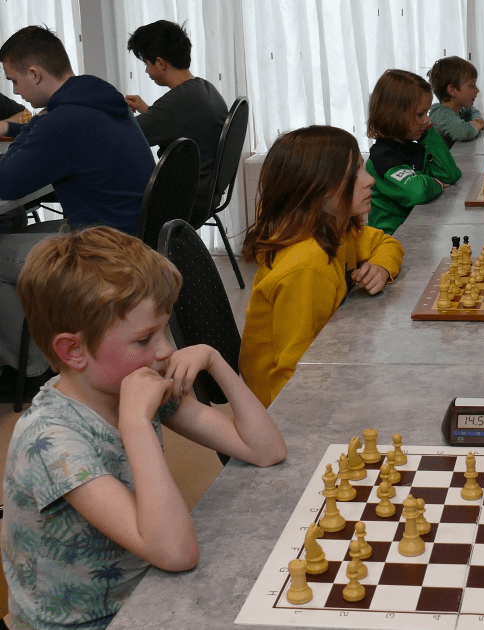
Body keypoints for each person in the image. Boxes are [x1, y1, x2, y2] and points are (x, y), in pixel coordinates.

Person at [2, 226, 287, 630]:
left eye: (165, 330)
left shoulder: (131, 385)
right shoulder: (51, 441)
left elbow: (265, 450)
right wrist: (135, 423)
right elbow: (176, 553)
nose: (166, 350)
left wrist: (214, 359)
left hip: (145, 594)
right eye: (144, 339)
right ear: (74, 350)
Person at [0, 26, 154, 396]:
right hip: (130, 235)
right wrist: (19, 128)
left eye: (15, 81)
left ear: (35, 73)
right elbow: (48, 132)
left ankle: (29, 371)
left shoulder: (61, 122)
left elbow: (7, 183)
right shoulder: (97, 98)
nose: (15, 92)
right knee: (14, 228)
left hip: (102, 252)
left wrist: (29, 132)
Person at [240, 126, 405, 407]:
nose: (369, 180)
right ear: (317, 192)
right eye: (354, 174)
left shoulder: (337, 229)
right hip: (279, 405)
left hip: (325, 368)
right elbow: (292, 372)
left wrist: (380, 266)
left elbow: (386, 242)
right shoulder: (308, 266)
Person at [125, 20, 229, 228]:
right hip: (205, 196)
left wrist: (122, 112)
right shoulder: (203, 89)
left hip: (182, 204)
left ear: (161, 63)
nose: (146, 71)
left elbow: (125, 137)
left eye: (146, 63)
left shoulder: (175, 104)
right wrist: (149, 111)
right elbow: (178, 121)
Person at [365, 69, 461, 235]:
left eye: (427, 113)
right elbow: (416, 192)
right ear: (395, 115)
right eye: (420, 114)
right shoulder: (381, 158)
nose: (427, 120)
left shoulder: (412, 147)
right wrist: (436, 183)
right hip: (391, 239)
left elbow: (450, 174)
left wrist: (429, 132)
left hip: (417, 232)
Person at [427, 55, 484, 147]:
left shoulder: (457, 110)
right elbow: (463, 133)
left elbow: (472, 110)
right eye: (472, 85)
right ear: (452, 90)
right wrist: (476, 127)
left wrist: (477, 119)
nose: (477, 90)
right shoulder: (441, 114)